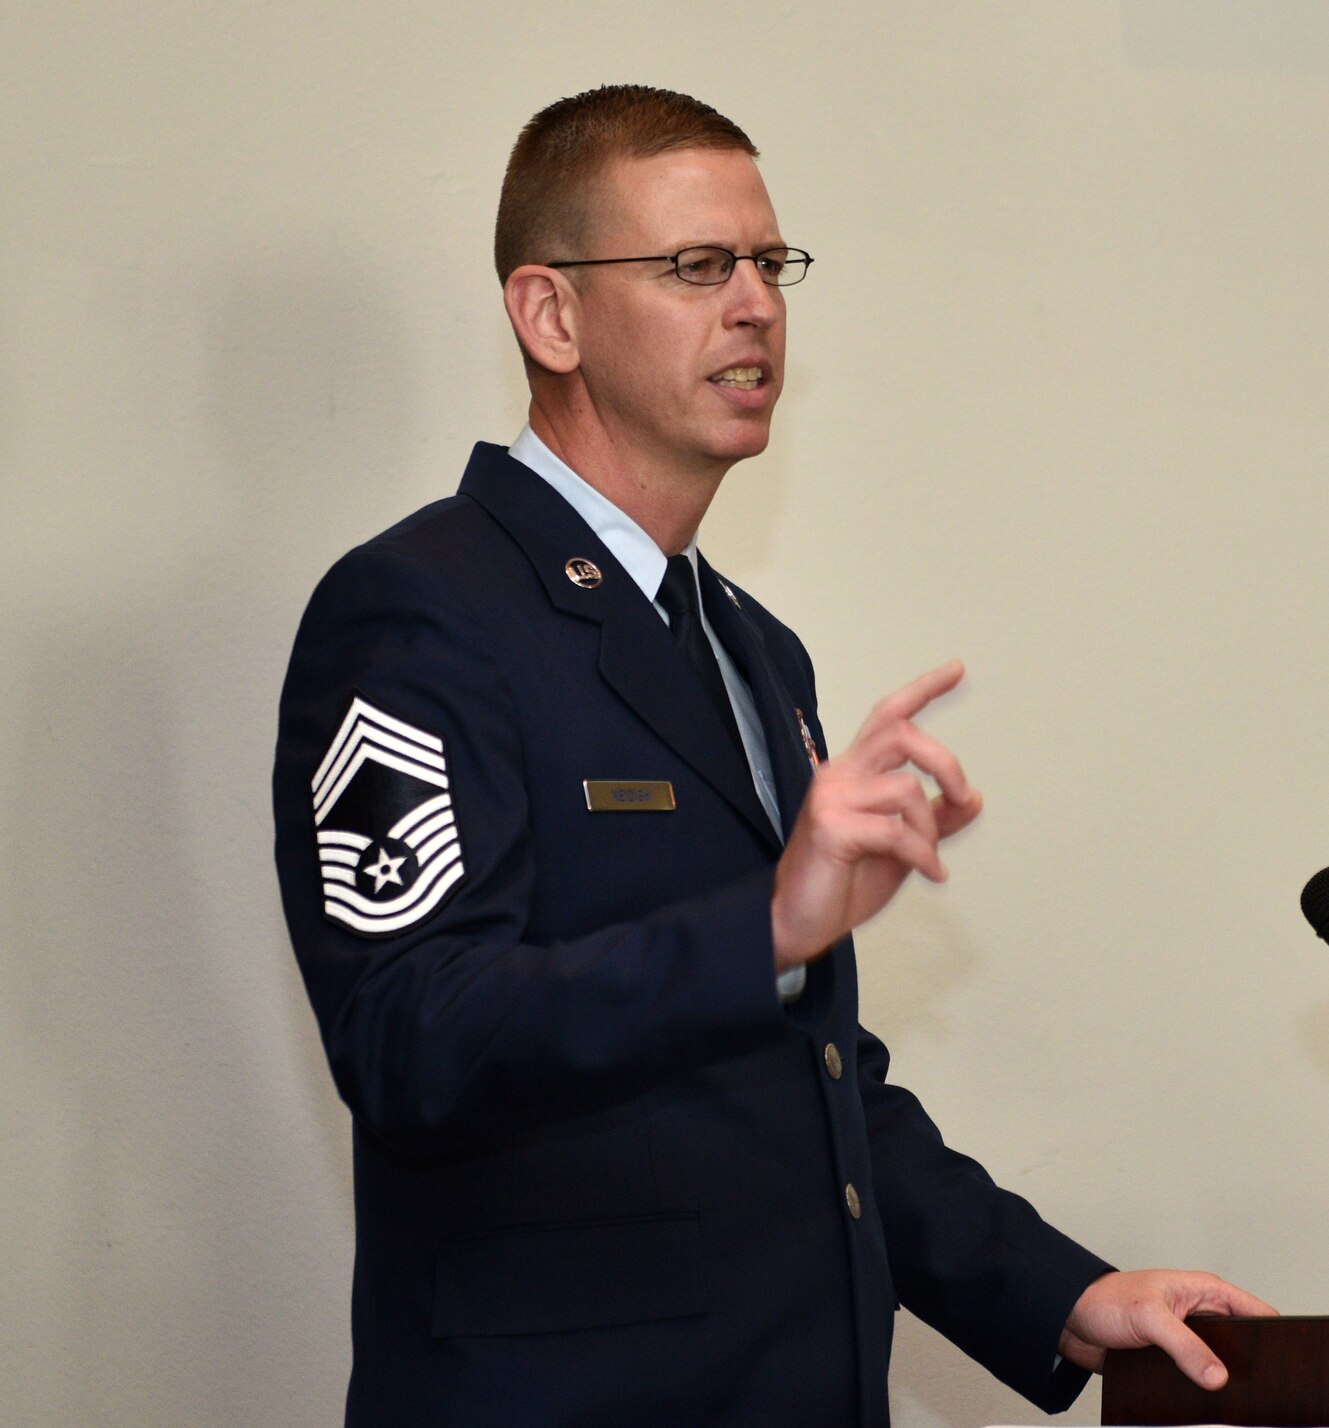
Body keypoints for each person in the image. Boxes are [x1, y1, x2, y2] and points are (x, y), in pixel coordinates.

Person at [272, 84, 1271, 1427]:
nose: (755, 303)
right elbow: (410, 1039)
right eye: (695, 266)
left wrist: (1053, 1291)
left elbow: (807, 1081)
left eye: (769, 262)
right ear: (550, 314)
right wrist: (762, 925)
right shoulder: (422, 611)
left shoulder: (751, 647)